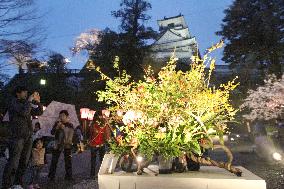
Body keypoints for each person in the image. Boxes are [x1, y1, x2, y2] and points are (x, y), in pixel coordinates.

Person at [2, 86, 43, 189]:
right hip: (17, 136)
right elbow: (24, 112)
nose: (26, 94)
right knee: (13, 161)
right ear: (18, 94)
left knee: (24, 161)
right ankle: (6, 185)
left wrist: (38, 102)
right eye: (24, 92)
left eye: (26, 92)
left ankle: (17, 183)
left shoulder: (26, 104)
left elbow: (39, 112)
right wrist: (29, 102)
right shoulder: (13, 103)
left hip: (28, 136)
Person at [48, 110, 76, 181]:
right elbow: (52, 132)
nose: (61, 117)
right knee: (54, 160)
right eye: (60, 116)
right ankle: (51, 176)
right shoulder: (57, 123)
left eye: (63, 116)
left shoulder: (70, 125)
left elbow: (72, 135)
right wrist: (56, 127)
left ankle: (68, 176)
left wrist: (64, 128)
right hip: (58, 144)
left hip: (67, 145)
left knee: (68, 161)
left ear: (67, 116)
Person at [89, 110, 111, 179]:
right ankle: (92, 175)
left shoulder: (103, 124)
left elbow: (107, 134)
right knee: (94, 161)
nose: (101, 117)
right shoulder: (93, 124)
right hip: (94, 145)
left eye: (101, 115)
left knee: (101, 160)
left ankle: (101, 173)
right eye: (100, 115)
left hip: (101, 144)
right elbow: (90, 133)